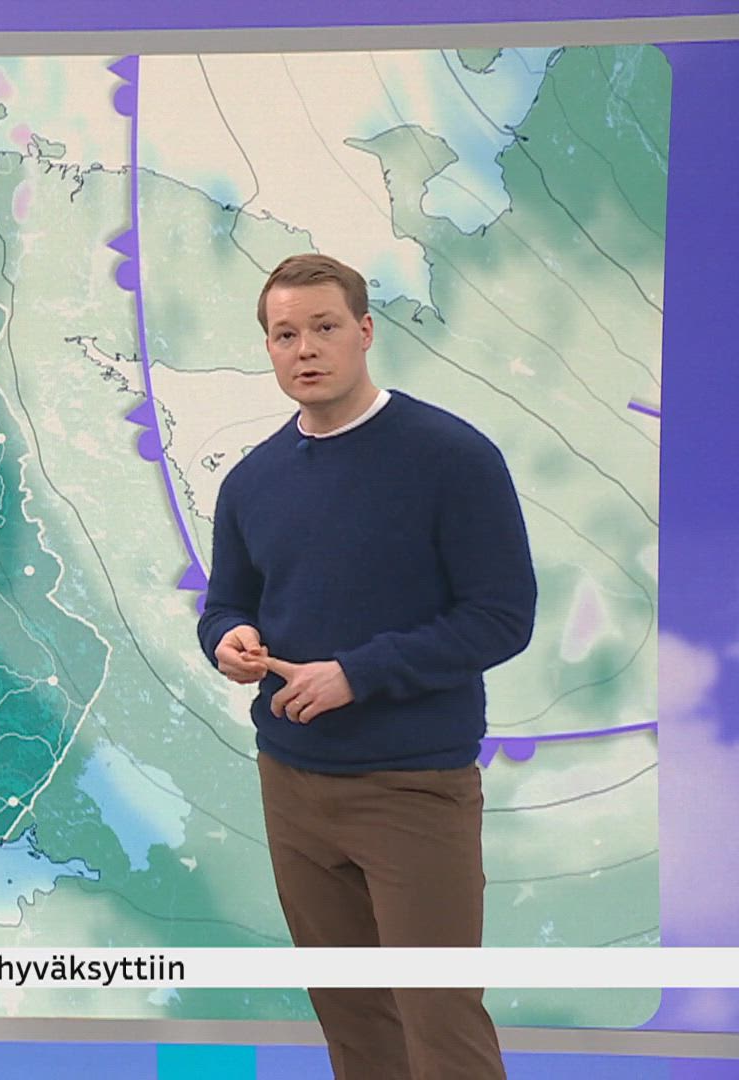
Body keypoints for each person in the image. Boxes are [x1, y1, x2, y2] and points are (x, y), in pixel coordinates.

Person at [195, 253, 537, 1079]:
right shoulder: (252, 481)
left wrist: (357, 673)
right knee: (355, 1028)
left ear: (365, 331)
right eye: (286, 335)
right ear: (269, 348)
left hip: (412, 788)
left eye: (324, 327)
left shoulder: (451, 458)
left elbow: (502, 616)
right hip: (292, 784)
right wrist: (228, 639)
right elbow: (226, 602)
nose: (306, 349)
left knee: (440, 1028)